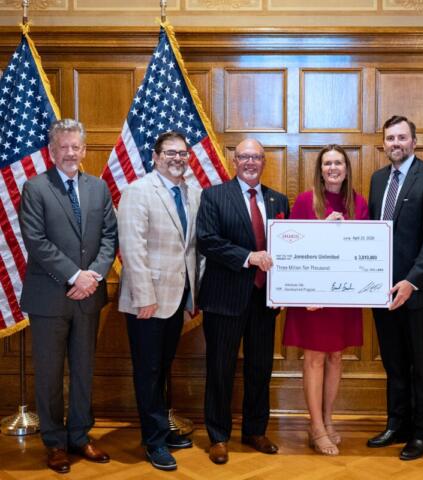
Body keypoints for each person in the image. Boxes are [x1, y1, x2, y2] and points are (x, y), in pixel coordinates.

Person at [19, 119, 117, 474]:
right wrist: (75, 275)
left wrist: (93, 277)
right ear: (52, 150)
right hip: (49, 299)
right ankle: (55, 442)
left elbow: (109, 236)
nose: (71, 153)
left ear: (84, 150)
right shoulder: (35, 187)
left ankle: (79, 436)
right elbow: (36, 241)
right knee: (48, 374)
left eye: (76, 146)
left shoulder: (99, 188)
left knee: (83, 370)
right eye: (64, 147)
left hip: (89, 297)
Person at [197, 138, 290, 465]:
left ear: (264, 162)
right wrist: (248, 257)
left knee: (259, 368)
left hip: (265, 300)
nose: (250, 162)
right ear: (234, 161)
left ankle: (254, 429)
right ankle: (218, 436)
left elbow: (287, 251)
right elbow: (208, 242)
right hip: (224, 299)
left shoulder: (278, 199)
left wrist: (286, 290)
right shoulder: (214, 196)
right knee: (220, 368)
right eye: (244, 157)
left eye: (256, 157)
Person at [367, 115, 423, 460]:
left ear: (414, 142)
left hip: (417, 291)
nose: (396, 143)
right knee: (394, 362)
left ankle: (421, 433)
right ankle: (397, 423)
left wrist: (410, 281)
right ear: (384, 143)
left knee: (422, 364)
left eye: (402, 137)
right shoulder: (377, 179)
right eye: (390, 138)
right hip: (382, 291)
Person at [118, 131, 201, 471]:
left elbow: (192, 249)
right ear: (155, 156)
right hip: (147, 301)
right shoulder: (138, 191)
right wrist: (144, 297)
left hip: (177, 298)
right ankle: (153, 442)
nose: (177, 158)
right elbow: (133, 248)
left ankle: (162, 430)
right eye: (170, 152)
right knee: (149, 370)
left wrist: (193, 294)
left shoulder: (193, 194)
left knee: (163, 368)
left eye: (182, 153)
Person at [283, 145, 369, 456]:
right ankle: (316, 425)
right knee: (314, 358)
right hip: (313, 298)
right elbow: (292, 249)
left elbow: (366, 250)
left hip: (343, 297)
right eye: (327, 163)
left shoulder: (359, 203)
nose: (333, 168)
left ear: (347, 168)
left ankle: (328, 419)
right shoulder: (307, 201)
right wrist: (322, 231)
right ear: (320, 170)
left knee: (336, 357)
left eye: (338, 163)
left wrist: (348, 232)